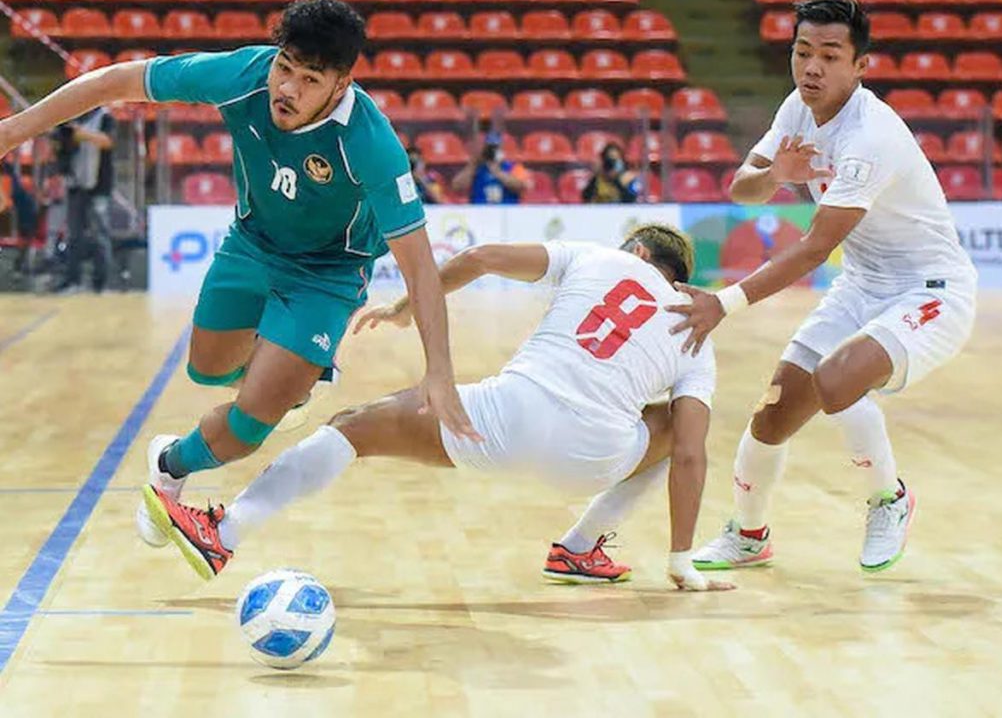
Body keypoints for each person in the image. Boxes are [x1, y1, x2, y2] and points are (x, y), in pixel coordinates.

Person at [0, 0, 479, 546]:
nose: (287, 89)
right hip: (251, 244)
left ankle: (172, 465)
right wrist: (13, 131)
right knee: (206, 370)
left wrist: (439, 372)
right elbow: (116, 81)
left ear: (341, 85)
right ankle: (293, 379)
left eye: (309, 80)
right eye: (285, 68)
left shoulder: (371, 143)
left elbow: (420, 268)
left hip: (327, 273)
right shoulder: (243, 75)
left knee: (250, 426)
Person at [144, 224, 733, 593]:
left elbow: (480, 257)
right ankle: (580, 546)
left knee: (352, 430)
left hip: (506, 418)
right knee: (669, 428)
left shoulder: (599, 258)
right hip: (595, 461)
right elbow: (690, 455)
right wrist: (681, 559)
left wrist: (405, 309)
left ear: (636, 251)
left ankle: (225, 532)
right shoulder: (701, 338)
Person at [667, 0, 977, 573]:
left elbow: (815, 246)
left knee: (836, 382)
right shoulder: (798, 107)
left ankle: (889, 498)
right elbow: (742, 188)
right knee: (772, 415)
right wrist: (774, 176)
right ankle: (749, 536)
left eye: (830, 56)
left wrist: (724, 303)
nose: (812, 67)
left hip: (930, 290)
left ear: (860, 66)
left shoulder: (871, 136)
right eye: (802, 52)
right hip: (861, 284)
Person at [54, 106, 115, 293]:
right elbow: (59, 144)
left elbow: (108, 142)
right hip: (75, 183)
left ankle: (101, 284)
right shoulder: (70, 117)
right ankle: (73, 281)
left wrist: (82, 134)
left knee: (100, 236)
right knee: (74, 236)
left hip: (99, 185)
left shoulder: (106, 117)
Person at [451, 130, 530, 205]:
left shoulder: (513, 167)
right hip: (480, 211)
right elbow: (457, 188)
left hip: (506, 212)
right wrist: (472, 165)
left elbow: (521, 187)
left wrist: (498, 172)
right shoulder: (475, 168)